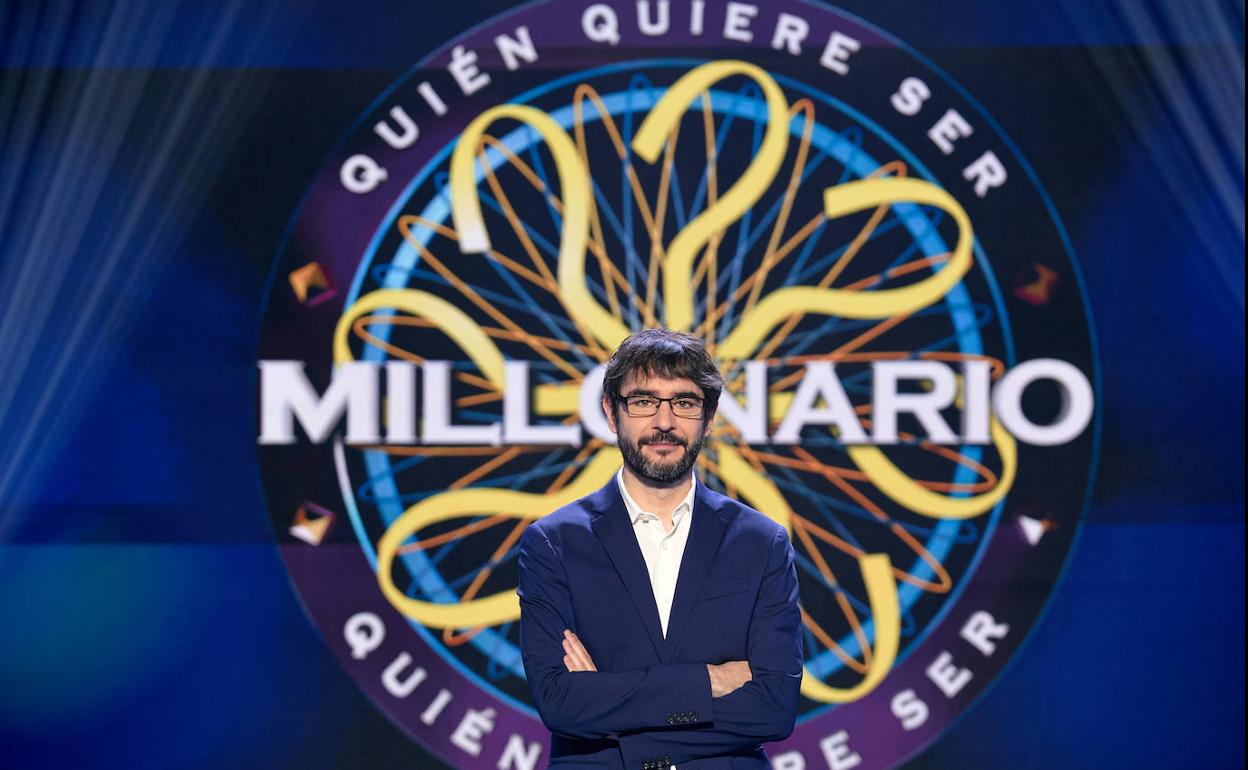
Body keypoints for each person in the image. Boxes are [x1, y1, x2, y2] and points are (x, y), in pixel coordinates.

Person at [518, 328, 802, 769]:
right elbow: (561, 703)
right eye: (644, 401)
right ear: (611, 412)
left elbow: (774, 708)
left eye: (684, 403)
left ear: (709, 418)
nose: (664, 422)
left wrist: (610, 704)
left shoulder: (761, 543)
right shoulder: (554, 543)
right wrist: (711, 680)